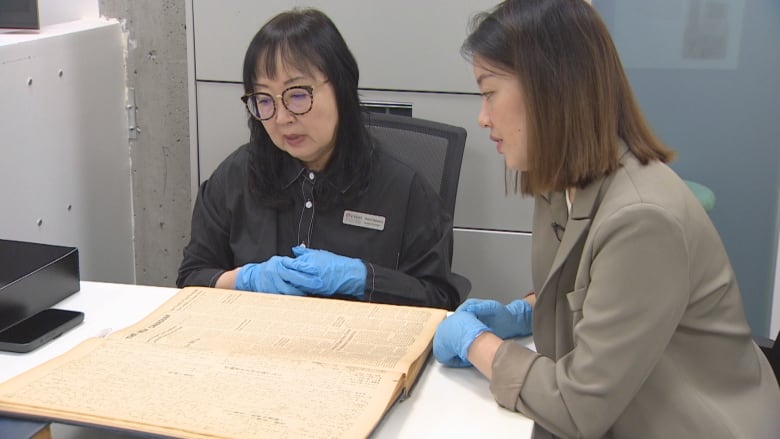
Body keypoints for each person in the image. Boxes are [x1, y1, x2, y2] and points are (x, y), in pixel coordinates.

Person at [432, 0, 780, 438]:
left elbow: (578, 408)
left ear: (548, 87)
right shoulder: (560, 184)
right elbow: (595, 289)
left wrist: (478, 343)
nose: (482, 117)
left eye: (488, 92)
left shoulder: (641, 219)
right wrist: (527, 311)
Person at [177, 8, 468, 310]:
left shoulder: (404, 187)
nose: (282, 118)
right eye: (264, 100)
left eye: (298, 94)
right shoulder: (235, 176)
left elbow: (439, 298)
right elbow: (191, 278)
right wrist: (243, 279)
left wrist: (363, 279)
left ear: (342, 88)